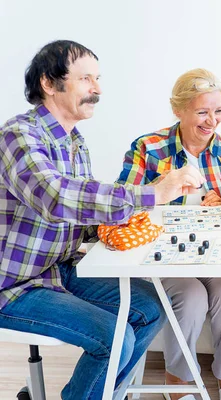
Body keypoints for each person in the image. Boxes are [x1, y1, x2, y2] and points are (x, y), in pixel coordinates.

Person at [0, 40, 203, 400]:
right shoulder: (18, 136)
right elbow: (57, 197)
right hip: (13, 285)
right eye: (85, 79)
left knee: (148, 310)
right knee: (114, 337)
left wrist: (147, 217)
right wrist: (152, 193)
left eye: (98, 78)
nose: (97, 89)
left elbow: (84, 214)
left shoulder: (75, 143)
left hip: (58, 268)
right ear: (49, 82)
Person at [117, 68, 221, 400]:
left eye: (218, 111)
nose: (212, 121)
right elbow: (119, 204)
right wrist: (163, 188)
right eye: (202, 111)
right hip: (163, 257)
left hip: (216, 255)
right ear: (179, 110)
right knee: (191, 298)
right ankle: (177, 378)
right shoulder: (147, 149)